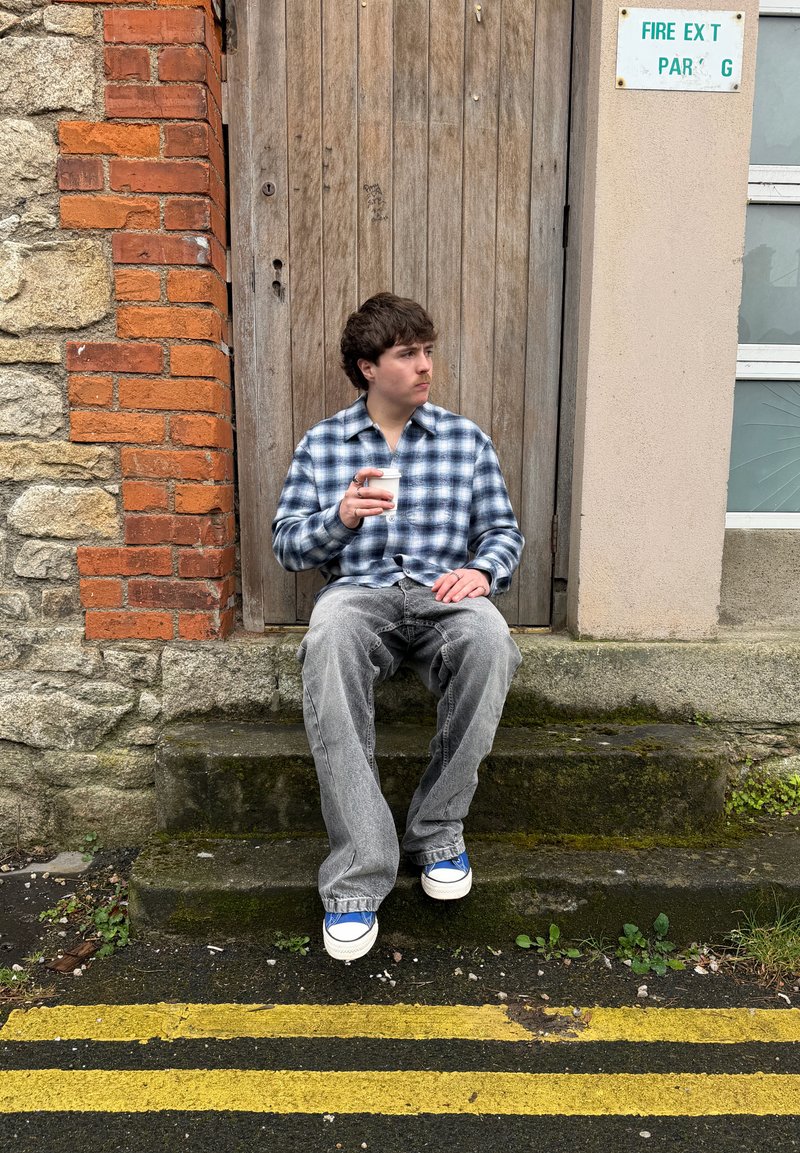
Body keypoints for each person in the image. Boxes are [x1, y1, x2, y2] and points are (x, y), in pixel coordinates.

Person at [272, 293, 524, 961]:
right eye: (407, 354)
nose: (425, 366)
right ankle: (359, 871)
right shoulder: (323, 443)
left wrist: (483, 571)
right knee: (329, 634)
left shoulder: (464, 440)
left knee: (490, 638)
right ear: (367, 367)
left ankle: (437, 831)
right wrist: (341, 518)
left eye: (428, 351)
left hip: (443, 591)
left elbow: (503, 532)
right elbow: (288, 546)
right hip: (360, 593)